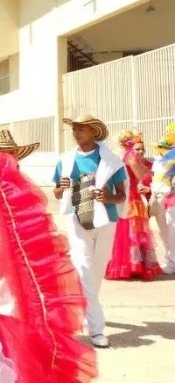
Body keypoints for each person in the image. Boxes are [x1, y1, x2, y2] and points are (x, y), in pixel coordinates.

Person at [0, 129, 97, 382]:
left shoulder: (23, 193)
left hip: (20, 298)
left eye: (9, 154)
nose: (4, 160)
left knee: (19, 365)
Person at [53, 115, 127, 349]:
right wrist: (60, 188)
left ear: (94, 132)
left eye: (81, 129)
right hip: (77, 219)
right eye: (74, 129)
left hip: (106, 221)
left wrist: (107, 197)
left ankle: (87, 306)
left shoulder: (111, 161)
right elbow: (57, 193)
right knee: (83, 268)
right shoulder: (65, 160)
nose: (76, 133)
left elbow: (122, 195)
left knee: (96, 271)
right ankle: (97, 330)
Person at [105, 131, 162, 281]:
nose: (141, 151)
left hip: (122, 197)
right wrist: (147, 171)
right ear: (130, 144)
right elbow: (140, 176)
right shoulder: (130, 157)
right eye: (138, 147)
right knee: (133, 231)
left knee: (123, 232)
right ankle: (133, 265)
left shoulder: (118, 155)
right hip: (131, 197)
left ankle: (124, 265)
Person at [150, 123, 175, 273]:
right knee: (164, 231)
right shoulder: (158, 161)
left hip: (172, 197)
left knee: (173, 229)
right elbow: (154, 179)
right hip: (159, 197)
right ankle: (170, 259)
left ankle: (172, 262)